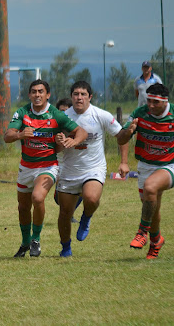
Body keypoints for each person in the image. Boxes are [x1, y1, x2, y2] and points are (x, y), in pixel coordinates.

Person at [4, 79, 87, 258]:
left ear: (48, 95)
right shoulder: (23, 113)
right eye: (33, 91)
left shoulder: (56, 114)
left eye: (41, 91)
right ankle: (25, 242)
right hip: (26, 167)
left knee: (37, 197)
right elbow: (7, 136)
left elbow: (82, 132)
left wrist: (72, 141)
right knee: (23, 207)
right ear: (29, 95)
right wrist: (20, 134)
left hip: (47, 166)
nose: (37, 95)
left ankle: (35, 239)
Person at [56, 81, 129, 257]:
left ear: (90, 97)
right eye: (75, 94)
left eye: (82, 94)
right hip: (69, 170)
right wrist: (59, 143)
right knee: (65, 212)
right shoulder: (62, 117)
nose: (79, 97)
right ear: (71, 96)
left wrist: (124, 162)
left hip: (94, 168)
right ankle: (66, 248)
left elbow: (122, 136)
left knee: (91, 197)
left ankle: (86, 217)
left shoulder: (100, 115)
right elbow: (56, 149)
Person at [116, 83, 172, 259]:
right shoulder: (139, 113)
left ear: (165, 101)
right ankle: (156, 241)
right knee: (151, 206)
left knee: (150, 188)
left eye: (155, 102)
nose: (151, 105)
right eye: (149, 101)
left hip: (168, 166)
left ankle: (142, 233)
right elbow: (121, 138)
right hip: (145, 165)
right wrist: (129, 131)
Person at [54, 98, 81, 223]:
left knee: (82, 190)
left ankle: (69, 214)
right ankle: (66, 212)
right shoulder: (55, 126)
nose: (64, 114)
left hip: (75, 163)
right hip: (59, 163)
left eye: (66, 111)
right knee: (60, 197)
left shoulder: (77, 127)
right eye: (61, 111)